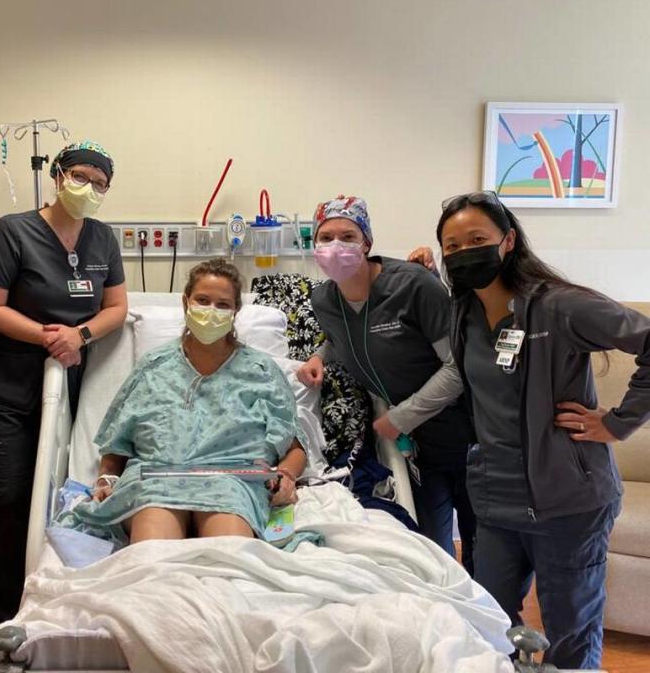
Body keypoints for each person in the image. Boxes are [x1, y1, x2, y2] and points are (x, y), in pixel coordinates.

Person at [430, 190, 650, 669]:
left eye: (477, 239)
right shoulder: (463, 312)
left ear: (507, 241)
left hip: (567, 502)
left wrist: (618, 423)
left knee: (571, 635)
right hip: (494, 502)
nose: (464, 251)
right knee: (489, 622)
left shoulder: (559, 307)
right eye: (452, 245)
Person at [0, 140, 128, 625]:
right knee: (12, 498)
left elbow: (117, 308)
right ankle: (3, 611)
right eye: (80, 177)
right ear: (58, 175)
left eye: (99, 184)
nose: (89, 189)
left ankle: (50, 600)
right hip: (8, 386)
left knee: (63, 493)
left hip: (72, 381)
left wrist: (79, 335)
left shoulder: (102, 239)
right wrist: (49, 337)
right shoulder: (13, 232)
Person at [61, 258, 305, 544]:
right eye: (202, 300)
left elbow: (295, 447)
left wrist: (286, 475)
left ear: (235, 311)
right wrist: (107, 479)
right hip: (155, 481)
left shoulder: (261, 372)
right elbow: (116, 447)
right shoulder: (154, 367)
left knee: (229, 555)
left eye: (222, 305)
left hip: (231, 482)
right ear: (185, 302)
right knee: (153, 555)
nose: (211, 311)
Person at [296, 196, 477, 572]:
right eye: (325, 237)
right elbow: (341, 334)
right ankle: (445, 615)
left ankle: (502, 619)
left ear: (367, 242)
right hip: (413, 442)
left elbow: (457, 368)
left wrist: (402, 417)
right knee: (432, 544)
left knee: (483, 540)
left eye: (347, 235)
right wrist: (318, 358)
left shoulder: (413, 286)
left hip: (463, 426)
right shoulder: (323, 299)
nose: (335, 246)